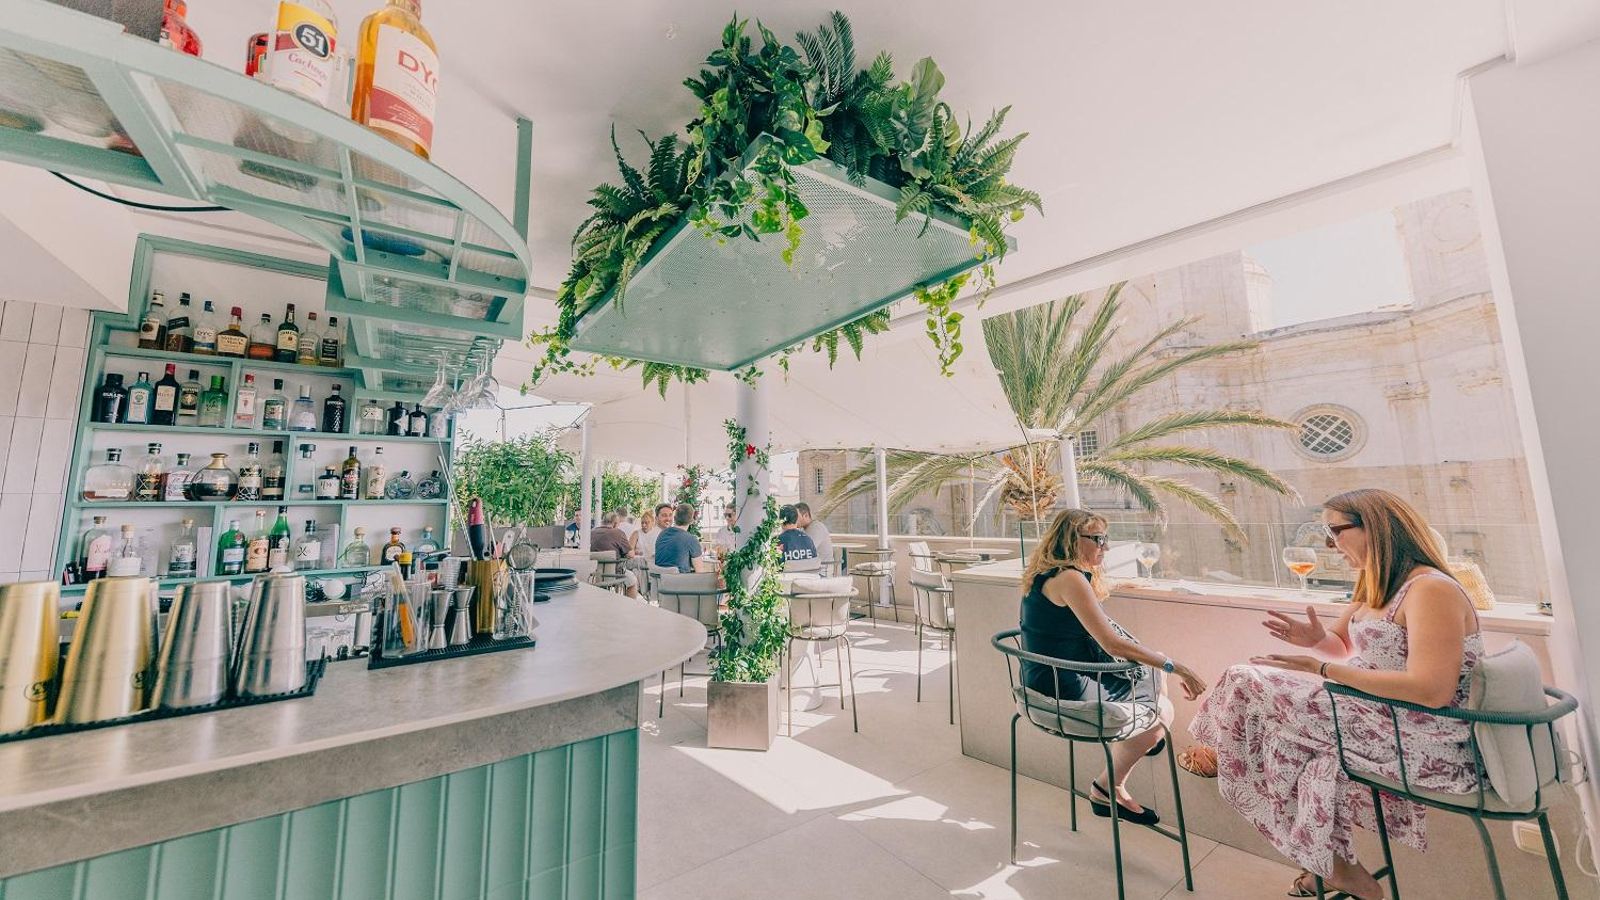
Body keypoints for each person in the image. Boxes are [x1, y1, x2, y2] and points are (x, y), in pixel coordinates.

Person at [1190, 488, 1485, 900]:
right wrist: (1314, 640)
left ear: (1376, 528)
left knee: (1250, 686)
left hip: (1416, 730)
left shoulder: (1430, 590)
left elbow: (1432, 691)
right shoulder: (1377, 584)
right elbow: (1342, 644)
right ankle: (1330, 865)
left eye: (1335, 532)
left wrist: (1326, 670)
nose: (1330, 545)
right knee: (1285, 740)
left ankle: (1220, 754)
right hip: (1371, 713)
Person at [1020, 508, 1206, 827]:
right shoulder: (1070, 579)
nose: (1105, 547)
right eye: (1099, 539)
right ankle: (1108, 786)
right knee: (1163, 710)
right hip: (1062, 685)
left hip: (1043, 675)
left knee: (1153, 664)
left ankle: (1142, 738)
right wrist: (1180, 668)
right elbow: (1112, 645)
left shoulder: (1048, 575)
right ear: (1071, 539)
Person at [588, 511, 638, 598]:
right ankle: (631, 608)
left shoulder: (591, 532)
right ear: (615, 524)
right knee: (633, 581)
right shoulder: (618, 533)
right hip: (614, 575)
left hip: (592, 576)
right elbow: (631, 555)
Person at [653, 502, 702, 573]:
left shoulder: (662, 534)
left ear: (675, 518)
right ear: (692, 521)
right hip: (680, 582)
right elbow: (700, 572)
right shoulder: (691, 539)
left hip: (661, 581)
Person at [795, 502, 832, 570]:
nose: (794, 520)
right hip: (811, 568)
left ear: (806, 515)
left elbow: (806, 551)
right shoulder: (804, 529)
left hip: (822, 570)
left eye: (796, 517)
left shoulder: (816, 528)